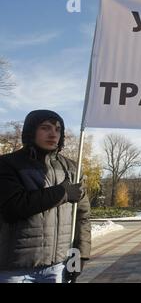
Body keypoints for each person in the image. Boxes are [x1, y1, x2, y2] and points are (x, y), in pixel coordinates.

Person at [0, 110, 91, 283]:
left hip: (58, 267)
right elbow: (13, 206)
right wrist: (63, 193)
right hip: (15, 268)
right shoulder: (8, 164)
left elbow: (83, 216)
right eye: (45, 128)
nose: (53, 134)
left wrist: (81, 254)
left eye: (58, 129)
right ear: (31, 130)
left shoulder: (72, 168)